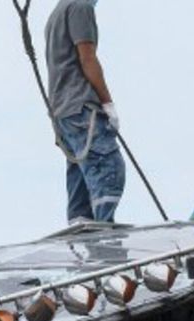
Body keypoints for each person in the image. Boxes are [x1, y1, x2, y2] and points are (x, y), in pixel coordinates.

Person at [45, 0, 126, 223]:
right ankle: (103, 233)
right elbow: (87, 59)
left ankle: (82, 232)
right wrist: (107, 103)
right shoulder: (80, 7)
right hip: (81, 108)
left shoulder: (57, 13)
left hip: (63, 114)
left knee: (80, 177)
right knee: (109, 168)